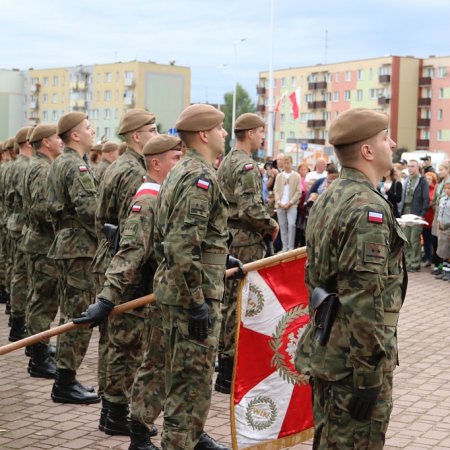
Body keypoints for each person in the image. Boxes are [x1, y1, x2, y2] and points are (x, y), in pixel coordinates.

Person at [295, 108, 407, 449]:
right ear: (368, 151)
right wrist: (368, 373)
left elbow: (314, 275)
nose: (393, 143)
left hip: (332, 349)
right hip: (351, 364)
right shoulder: (366, 209)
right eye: (385, 137)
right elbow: (364, 301)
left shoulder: (332, 193)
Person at [74, 135, 184, 449]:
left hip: (147, 289)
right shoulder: (147, 198)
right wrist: (106, 299)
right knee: (127, 352)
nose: (180, 165)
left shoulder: (162, 193)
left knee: (133, 354)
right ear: (156, 163)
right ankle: (118, 415)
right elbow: (130, 251)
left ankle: (120, 414)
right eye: (175, 159)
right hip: (133, 289)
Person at [153, 104, 242, 450]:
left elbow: (196, 239)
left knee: (194, 382)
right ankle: (179, 442)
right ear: (204, 134)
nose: (224, 134)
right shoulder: (198, 178)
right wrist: (195, 303)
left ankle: (191, 438)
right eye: (220, 128)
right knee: (188, 387)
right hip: (191, 296)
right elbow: (179, 245)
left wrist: (222, 258)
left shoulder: (189, 171)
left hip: (190, 289)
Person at [91, 108, 158, 434]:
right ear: (136, 136)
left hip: (112, 257)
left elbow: (100, 217)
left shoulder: (117, 165)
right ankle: (116, 413)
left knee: (113, 341)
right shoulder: (135, 172)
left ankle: (110, 411)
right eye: (152, 129)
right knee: (127, 345)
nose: (156, 135)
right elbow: (134, 229)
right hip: (127, 265)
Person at [216, 113, 279, 394]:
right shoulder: (247, 166)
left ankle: (224, 366)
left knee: (228, 300)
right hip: (245, 239)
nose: (263, 137)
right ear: (251, 133)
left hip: (228, 237)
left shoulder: (227, 161)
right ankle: (230, 371)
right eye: (261, 132)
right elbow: (251, 209)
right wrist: (271, 225)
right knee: (240, 303)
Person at [46, 112, 100, 404]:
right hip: (79, 247)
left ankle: (66, 379)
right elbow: (89, 208)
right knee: (79, 314)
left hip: (68, 244)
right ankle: (65, 382)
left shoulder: (60, 163)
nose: (93, 132)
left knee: (71, 312)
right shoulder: (75, 166)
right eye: (89, 129)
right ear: (75, 136)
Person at [22, 125, 63, 378]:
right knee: (43, 303)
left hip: (41, 242)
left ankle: (40, 349)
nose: (61, 141)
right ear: (46, 142)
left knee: (42, 300)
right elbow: (40, 208)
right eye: (57, 137)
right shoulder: (41, 169)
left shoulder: (41, 165)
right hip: (43, 242)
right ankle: (38, 359)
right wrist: (64, 219)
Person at [5, 126, 33, 342]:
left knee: (15, 270)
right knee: (22, 275)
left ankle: (15, 319)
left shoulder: (12, 166)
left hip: (13, 220)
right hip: (23, 223)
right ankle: (18, 324)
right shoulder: (24, 167)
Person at [399, 160, 430, 272]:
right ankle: (407, 262)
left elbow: (426, 199)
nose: (410, 168)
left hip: (416, 214)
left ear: (417, 167)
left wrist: (422, 214)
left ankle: (415, 263)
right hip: (406, 211)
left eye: (412, 166)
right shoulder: (407, 180)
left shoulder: (422, 181)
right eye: (408, 166)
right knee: (406, 239)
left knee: (414, 239)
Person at [274, 155, 302, 252]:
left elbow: (298, 192)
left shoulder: (296, 176)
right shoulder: (279, 176)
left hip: (292, 205)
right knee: (282, 225)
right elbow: (276, 190)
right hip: (280, 205)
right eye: (285, 163)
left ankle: (290, 247)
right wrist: (279, 202)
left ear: (291, 163)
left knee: (291, 224)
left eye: (288, 162)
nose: (286, 165)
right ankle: (284, 247)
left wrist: (290, 202)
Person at [431, 162, 450, 275]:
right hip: (439, 212)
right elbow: (436, 199)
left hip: (446, 213)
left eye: (442, 169)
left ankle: (443, 265)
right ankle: (440, 264)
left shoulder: (448, 183)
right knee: (437, 240)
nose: (439, 172)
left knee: (445, 243)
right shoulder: (440, 183)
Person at [422, 171, 438, 267]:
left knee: (433, 241)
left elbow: (433, 202)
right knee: (426, 240)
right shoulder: (423, 189)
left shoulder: (434, 189)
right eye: (425, 179)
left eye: (429, 179)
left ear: (433, 180)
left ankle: (434, 260)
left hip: (432, 219)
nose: (427, 181)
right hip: (425, 218)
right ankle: (428, 258)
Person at [436, 181, 450, 280]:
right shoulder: (443, 199)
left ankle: (448, 272)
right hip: (442, 226)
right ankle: (444, 270)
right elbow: (439, 214)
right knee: (443, 250)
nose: (447, 190)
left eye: (449, 189)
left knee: (448, 250)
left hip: (449, 227)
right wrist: (438, 226)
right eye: (446, 188)